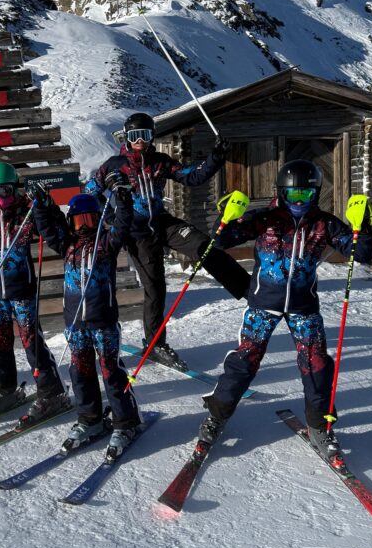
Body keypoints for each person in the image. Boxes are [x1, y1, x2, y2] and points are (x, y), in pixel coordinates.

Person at [198, 160, 372, 459]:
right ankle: (217, 416)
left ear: (316, 194)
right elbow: (221, 239)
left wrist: (365, 226)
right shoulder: (264, 218)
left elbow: (361, 252)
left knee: (317, 364)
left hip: (303, 307)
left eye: (306, 194)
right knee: (245, 360)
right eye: (293, 194)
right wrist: (226, 216)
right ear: (281, 192)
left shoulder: (324, 224)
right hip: (263, 304)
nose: (299, 201)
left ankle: (320, 425)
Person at [86, 111, 250, 368]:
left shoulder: (160, 162)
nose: (140, 141)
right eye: (134, 136)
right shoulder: (115, 165)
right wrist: (110, 218)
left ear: (152, 136)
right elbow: (90, 191)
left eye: (145, 135)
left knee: (204, 246)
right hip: (137, 231)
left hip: (162, 222)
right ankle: (155, 344)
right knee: (155, 287)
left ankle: (250, 290)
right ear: (127, 137)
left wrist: (216, 157)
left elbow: (192, 177)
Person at [31, 179, 141, 458]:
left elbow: (122, 225)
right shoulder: (66, 245)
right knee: (80, 372)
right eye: (79, 221)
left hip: (103, 321)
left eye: (90, 220)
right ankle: (90, 418)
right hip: (75, 323)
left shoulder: (106, 244)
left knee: (111, 372)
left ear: (98, 220)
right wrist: (42, 206)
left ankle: (125, 422)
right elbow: (47, 228)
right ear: (71, 223)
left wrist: (123, 200)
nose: (84, 227)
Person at [0, 162, 68, 422]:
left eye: (4, 190)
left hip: (21, 291)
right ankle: (4, 390)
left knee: (32, 343)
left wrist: (47, 206)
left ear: (14, 188)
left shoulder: (25, 213)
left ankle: (51, 392)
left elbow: (55, 230)